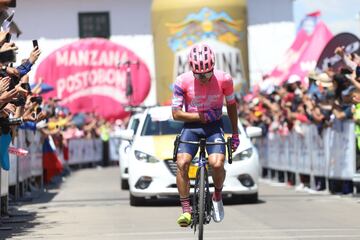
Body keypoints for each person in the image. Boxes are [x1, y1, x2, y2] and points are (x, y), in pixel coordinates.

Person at [171, 43, 240, 227]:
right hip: (191, 126)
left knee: (217, 164)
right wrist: (199, 117)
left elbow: (232, 105)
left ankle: (217, 195)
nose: (203, 78)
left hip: (214, 127)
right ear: (192, 70)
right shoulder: (181, 81)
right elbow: (176, 114)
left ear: (213, 67)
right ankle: (186, 209)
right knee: (182, 163)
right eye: (199, 75)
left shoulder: (224, 79)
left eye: (208, 73)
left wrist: (235, 133)